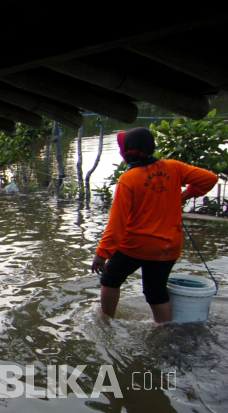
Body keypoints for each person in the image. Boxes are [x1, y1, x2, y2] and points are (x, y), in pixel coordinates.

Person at [91, 127, 218, 323]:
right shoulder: (173, 167)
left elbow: (117, 224)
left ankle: (105, 323)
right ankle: (164, 333)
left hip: (135, 246)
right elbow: (210, 179)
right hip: (168, 248)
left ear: (128, 151)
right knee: (156, 292)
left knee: (110, 281)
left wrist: (102, 254)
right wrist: (183, 196)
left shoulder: (128, 179)